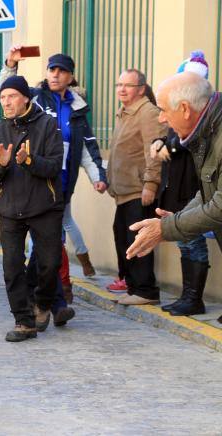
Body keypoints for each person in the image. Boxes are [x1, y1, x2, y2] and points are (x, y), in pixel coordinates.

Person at [0, 49, 107, 299]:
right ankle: (52, 296)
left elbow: (87, 148)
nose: (55, 75)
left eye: (61, 71)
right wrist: (10, 65)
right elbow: (5, 94)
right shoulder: (35, 98)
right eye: (52, 70)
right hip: (31, 182)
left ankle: (47, 294)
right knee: (46, 245)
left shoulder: (77, 109)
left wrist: (98, 177)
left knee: (48, 245)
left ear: (71, 77)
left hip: (61, 183)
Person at [0, 75, 65, 342]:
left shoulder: (48, 125)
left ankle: (42, 303)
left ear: (26, 98)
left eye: (12, 96)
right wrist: (1, 165)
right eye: (3, 98)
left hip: (44, 206)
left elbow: (53, 165)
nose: (6, 102)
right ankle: (23, 322)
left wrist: (29, 161)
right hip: (10, 208)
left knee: (50, 265)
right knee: (12, 267)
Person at [127, 73, 221, 318]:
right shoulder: (209, 130)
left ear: (185, 109)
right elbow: (209, 189)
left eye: (163, 110)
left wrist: (166, 228)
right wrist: (181, 217)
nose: (161, 118)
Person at [152, 52, 211, 317]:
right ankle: (188, 296)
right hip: (177, 189)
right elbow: (169, 135)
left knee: (193, 242)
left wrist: (171, 147)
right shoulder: (179, 115)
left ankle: (193, 298)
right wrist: (161, 143)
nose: (162, 117)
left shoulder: (204, 123)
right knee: (185, 243)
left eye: (165, 110)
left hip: (192, 188)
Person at [105, 69, 166, 305]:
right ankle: (132, 286)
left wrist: (150, 184)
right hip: (123, 191)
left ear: (141, 88)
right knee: (123, 237)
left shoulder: (148, 113)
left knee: (137, 240)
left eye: (127, 85)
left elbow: (155, 151)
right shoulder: (125, 113)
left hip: (139, 190)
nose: (122, 89)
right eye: (119, 84)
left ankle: (145, 290)